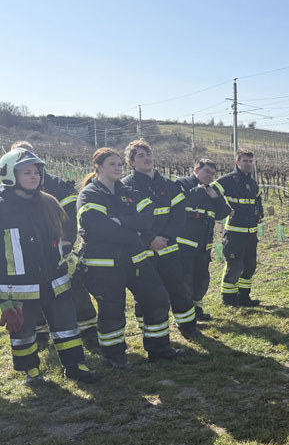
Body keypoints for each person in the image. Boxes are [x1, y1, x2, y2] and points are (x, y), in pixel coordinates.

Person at [78, 148, 183, 369]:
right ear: (98, 167)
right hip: (104, 265)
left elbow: (148, 218)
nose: (117, 168)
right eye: (112, 164)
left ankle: (159, 349)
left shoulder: (128, 192)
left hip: (136, 259)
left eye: (119, 164)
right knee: (112, 310)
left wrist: (120, 221)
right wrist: (131, 230)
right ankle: (115, 355)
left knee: (157, 297)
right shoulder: (90, 194)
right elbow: (98, 227)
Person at [0, 148, 97, 384]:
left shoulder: (48, 202)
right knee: (23, 333)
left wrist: (66, 260)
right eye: (26, 172)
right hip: (19, 287)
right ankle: (31, 372)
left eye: (36, 172)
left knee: (67, 326)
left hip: (55, 279)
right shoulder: (2, 208)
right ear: (10, 175)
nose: (33, 176)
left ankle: (74, 366)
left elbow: (59, 237)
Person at [121, 139, 200, 338]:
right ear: (131, 162)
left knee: (178, 289)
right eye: (140, 155)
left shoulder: (169, 185)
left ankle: (188, 327)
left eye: (148, 154)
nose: (146, 158)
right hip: (142, 251)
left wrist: (164, 237)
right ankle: (146, 327)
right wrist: (150, 240)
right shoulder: (125, 187)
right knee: (145, 293)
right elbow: (128, 221)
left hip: (168, 247)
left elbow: (179, 216)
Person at [175, 159, 231, 322]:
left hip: (204, 246)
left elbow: (223, 212)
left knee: (201, 279)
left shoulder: (211, 190)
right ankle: (183, 315)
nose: (210, 176)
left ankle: (196, 309)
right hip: (184, 245)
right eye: (207, 172)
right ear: (196, 170)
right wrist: (200, 191)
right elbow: (183, 203)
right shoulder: (182, 184)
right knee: (185, 281)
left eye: (213, 174)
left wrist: (215, 197)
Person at [213, 149, 263, 307]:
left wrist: (259, 213)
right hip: (234, 233)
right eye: (245, 161)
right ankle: (228, 299)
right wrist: (226, 210)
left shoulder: (252, 183)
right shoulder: (228, 180)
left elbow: (257, 199)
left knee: (249, 266)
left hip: (251, 233)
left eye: (250, 161)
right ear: (237, 162)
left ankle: (244, 297)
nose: (248, 164)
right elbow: (212, 192)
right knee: (234, 266)